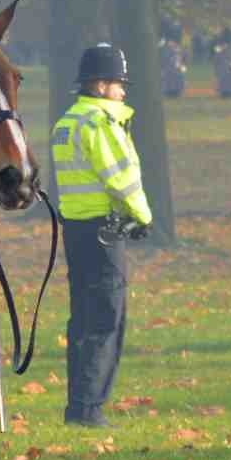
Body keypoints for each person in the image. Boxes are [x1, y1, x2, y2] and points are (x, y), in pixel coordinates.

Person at [50, 43, 153, 428]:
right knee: (106, 318)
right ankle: (89, 409)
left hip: (76, 229)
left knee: (82, 318)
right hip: (105, 232)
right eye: (117, 83)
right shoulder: (99, 124)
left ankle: (77, 403)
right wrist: (142, 216)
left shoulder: (67, 123)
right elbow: (121, 178)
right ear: (99, 84)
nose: (123, 91)